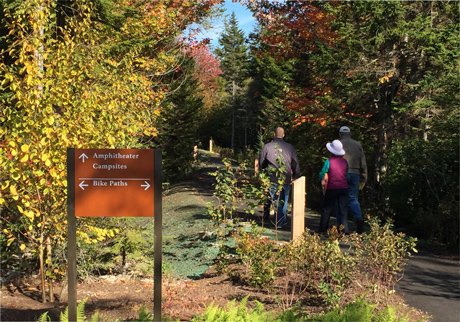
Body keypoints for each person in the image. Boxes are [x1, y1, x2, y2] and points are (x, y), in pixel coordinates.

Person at [259, 127, 300, 229]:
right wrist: (295, 175)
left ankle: (276, 220)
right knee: (284, 198)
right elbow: (295, 162)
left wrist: (263, 172)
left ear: (274, 134)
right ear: (283, 135)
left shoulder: (267, 147)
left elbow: (261, 162)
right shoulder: (289, 148)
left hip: (271, 177)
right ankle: (282, 220)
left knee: (273, 198)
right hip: (285, 177)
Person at [337, 126, 367, 234]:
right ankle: (358, 217)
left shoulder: (337, 144)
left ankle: (342, 227)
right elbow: (363, 162)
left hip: (340, 174)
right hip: (355, 174)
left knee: (340, 200)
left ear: (340, 134)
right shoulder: (357, 145)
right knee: (352, 198)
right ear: (350, 134)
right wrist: (364, 176)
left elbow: (332, 161)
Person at [318, 140, 349, 234]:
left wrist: (321, 177)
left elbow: (322, 173)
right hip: (344, 188)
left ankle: (323, 229)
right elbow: (347, 175)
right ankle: (344, 230)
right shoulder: (345, 162)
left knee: (327, 209)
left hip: (332, 187)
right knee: (343, 210)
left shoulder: (329, 161)